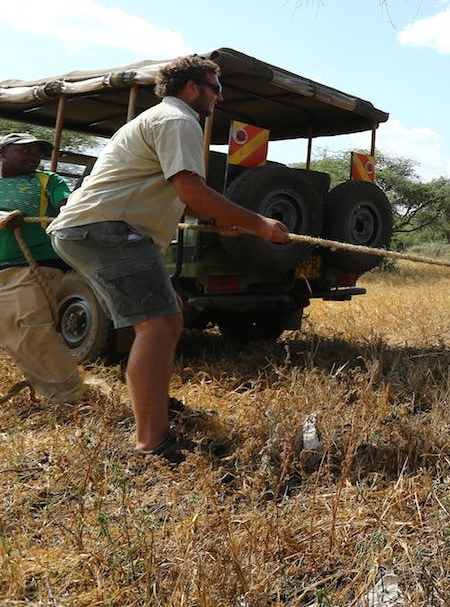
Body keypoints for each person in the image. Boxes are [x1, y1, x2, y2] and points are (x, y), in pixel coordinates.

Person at [48, 56, 291, 463]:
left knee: (167, 315)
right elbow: (193, 192)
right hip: (106, 230)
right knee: (159, 326)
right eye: (215, 87)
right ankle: (153, 442)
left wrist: (223, 220)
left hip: (99, 229)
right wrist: (259, 225)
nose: (220, 95)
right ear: (192, 88)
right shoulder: (178, 120)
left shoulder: (164, 118)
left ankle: (154, 407)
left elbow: (174, 193)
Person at [0, 132, 86, 405]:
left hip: (34, 265)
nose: (34, 156)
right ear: (2, 152)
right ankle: (52, 389)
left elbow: (69, 205)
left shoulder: (49, 181)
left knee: (31, 330)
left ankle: (69, 396)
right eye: (25, 150)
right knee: (13, 336)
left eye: (37, 152)